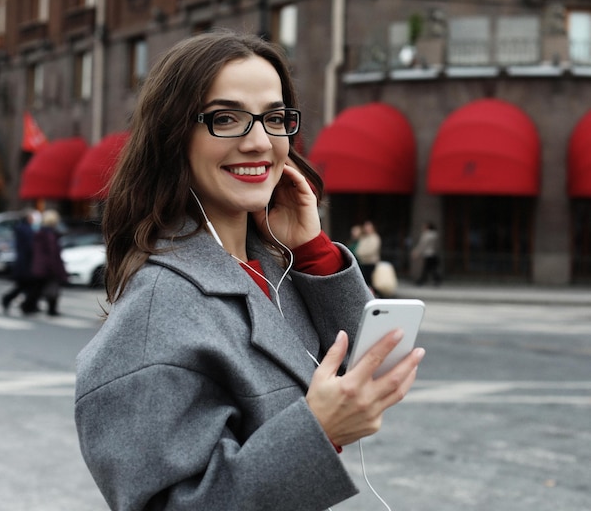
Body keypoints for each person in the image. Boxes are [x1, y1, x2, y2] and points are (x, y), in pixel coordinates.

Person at [74, 30, 425, 511]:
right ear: (174, 136)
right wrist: (317, 432)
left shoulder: (273, 265)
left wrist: (313, 249)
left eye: (275, 118)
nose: (260, 142)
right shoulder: (160, 306)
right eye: (226, 119)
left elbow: (361, 376)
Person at [28, 209, 68, 315]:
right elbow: (52, 252)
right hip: (48, 266)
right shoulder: (49, 234)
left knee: (39, 288)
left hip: (41, 266)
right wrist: (56, 268)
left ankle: (30, 306)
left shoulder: (41, 232)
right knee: (50, 288)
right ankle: (49, 309)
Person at [0, 209, 39, 314]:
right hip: (26, 263)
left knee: (24, 286)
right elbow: (30, 247)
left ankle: (27, 305)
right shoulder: (27, 230)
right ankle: (26, 305)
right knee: (28, 285)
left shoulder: (22, 229)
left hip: (23, 262)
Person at [354, 220, 382, 289]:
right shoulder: (363, 237)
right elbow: (358, 248)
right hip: (363, 262)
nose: (366, 228)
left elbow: (370, 250)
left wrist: (360, 253)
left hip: (371, 263)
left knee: (371, 281)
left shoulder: (375, 237)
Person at [412, 221, 442, 286]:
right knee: (432, 268)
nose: (422, 227)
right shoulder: (435, 234)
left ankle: (422, 280)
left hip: (428, 254)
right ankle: (435, 280)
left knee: (427, 268)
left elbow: (422, 245)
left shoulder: (426, 235)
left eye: (424, 226)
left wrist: (417, 251)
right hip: (433, 254)